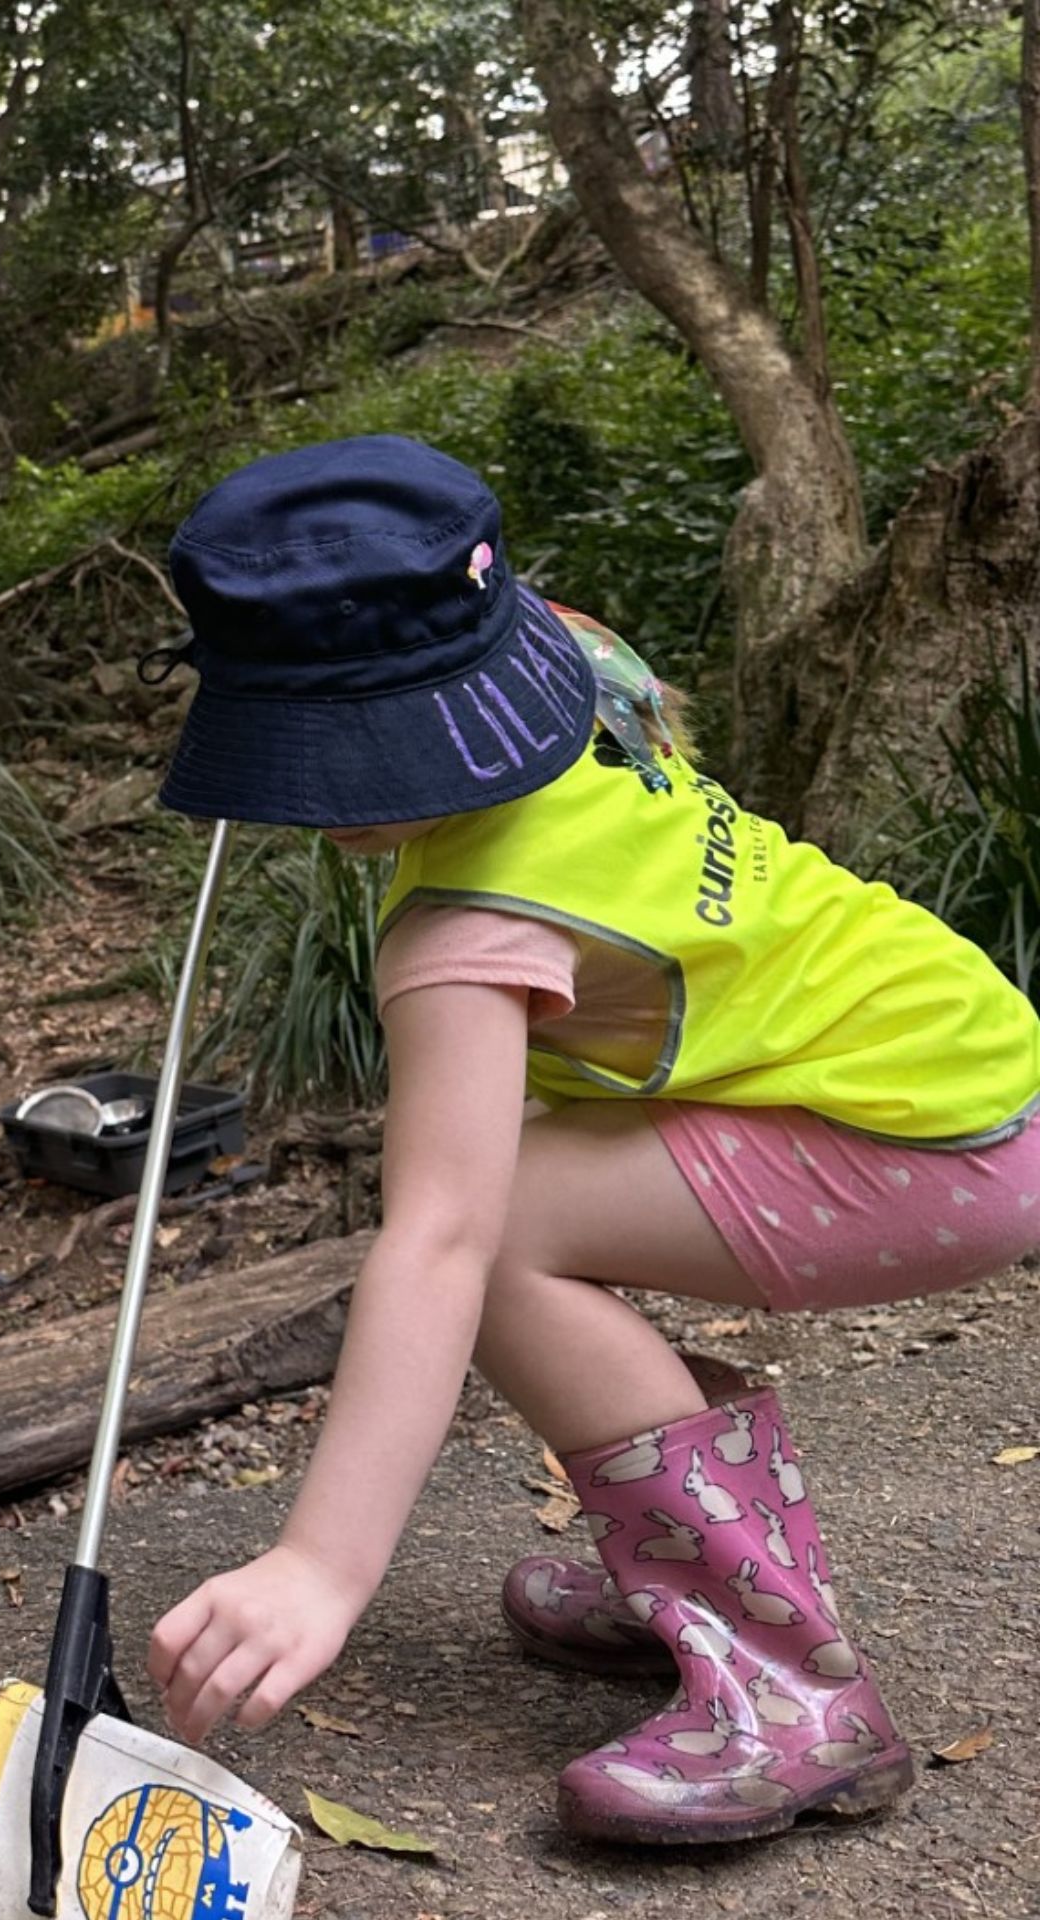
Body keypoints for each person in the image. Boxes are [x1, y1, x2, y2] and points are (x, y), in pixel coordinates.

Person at [139, 436, 1040, 1846]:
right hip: (946, 1043)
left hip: (934, 1146)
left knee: (497, 1241)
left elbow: (437, 1241)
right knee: (529, 1198)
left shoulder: (468, 933)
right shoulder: (574, 656)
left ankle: (793, 1689)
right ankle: (672, 1546)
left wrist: (322, 1563)